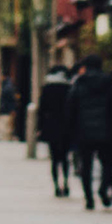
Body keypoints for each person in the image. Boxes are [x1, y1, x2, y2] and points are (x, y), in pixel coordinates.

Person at [75, 60, 112, 206]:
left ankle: (89, 197)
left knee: (86, 165)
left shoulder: (79, 83)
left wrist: (73, 129)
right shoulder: (109, 84)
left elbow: (71, 107)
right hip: (106, 131)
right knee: (107, 163)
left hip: (84, 131)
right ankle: (103, 189)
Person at [38, 69, 77, 198]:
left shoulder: (47, 88)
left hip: (51, 127)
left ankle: (56, 186)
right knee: (65, 158)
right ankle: (66, 182)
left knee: (54, 159)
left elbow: (42, 110)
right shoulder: (69, 88)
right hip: (66, 127)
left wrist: (40, 128)